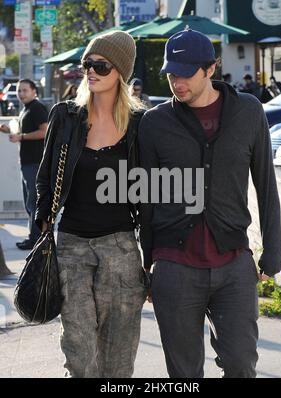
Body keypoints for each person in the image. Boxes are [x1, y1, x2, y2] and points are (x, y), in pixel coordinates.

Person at [138, 29, 281, 378]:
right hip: (174, 265)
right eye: (172, 73)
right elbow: (146, 198)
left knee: (241, 363)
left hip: (234, 264)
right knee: (184, 373)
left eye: (186, 72)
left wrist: (272, 254)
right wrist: (147, 266)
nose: (177, 81)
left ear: (210, 69)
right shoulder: (155, 123)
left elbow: (265, 183)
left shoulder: (249, 112)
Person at [35, 31, 147, 378]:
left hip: (121, 248)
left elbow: (151, 192)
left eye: (102, 65)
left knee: (118, 359)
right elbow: (45, 177)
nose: (92, 71)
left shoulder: (141, 124)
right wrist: (42, 223)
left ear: (122, 74)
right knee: (79, 354)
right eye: (87, 64)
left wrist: (156, 258)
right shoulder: (65, 117)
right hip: (72, 247)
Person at [0, 79, 48, 250]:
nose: (21, 94)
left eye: (24, 90)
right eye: (19, 91)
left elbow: (45, 131)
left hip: (35, 163)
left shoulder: (37, 107)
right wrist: (10, 131)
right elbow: (24, 132)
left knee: (33, 202)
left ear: (34, 91)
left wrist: (21, 137)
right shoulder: (26, 109)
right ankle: (34, 237)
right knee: (30, 203)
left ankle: (35, 239)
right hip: (27, 162)